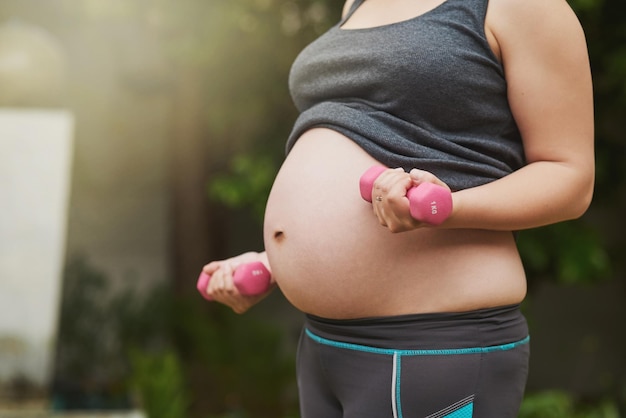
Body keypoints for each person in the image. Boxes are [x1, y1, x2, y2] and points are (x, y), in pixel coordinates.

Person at [200, 0, 594, 416]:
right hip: (322, 343)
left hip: (431, 342)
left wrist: (449, 208)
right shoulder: (359, 2)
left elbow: (570, 178)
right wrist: (278, 260)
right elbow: (372, 129)